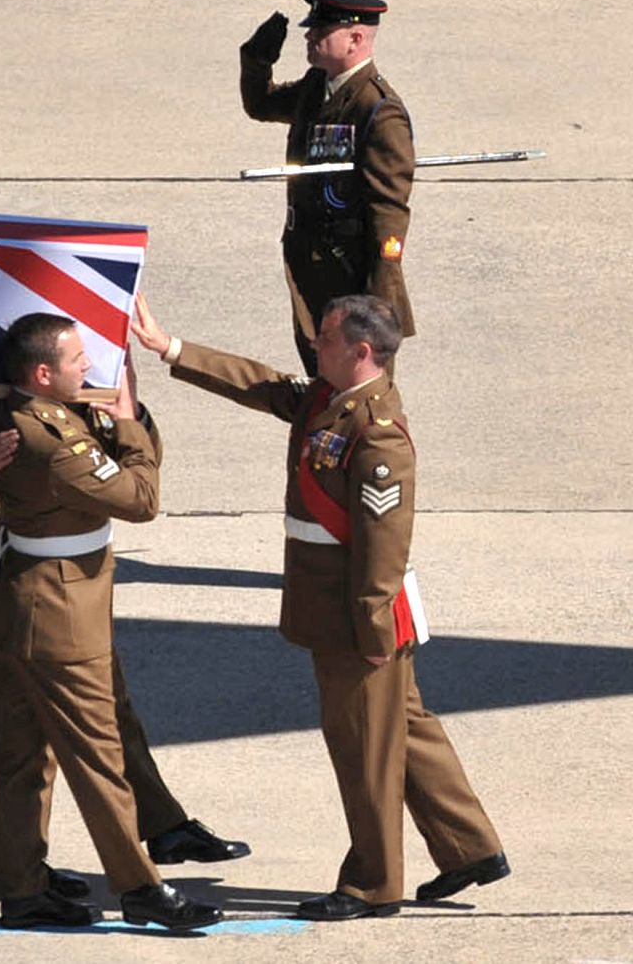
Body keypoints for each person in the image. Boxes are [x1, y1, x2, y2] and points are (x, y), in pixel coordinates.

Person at [131, 290, 509, 920]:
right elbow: (263, 385)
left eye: (326, 339)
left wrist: (368, 631)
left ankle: (372, 884)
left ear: (362, 352)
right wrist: (170, 348)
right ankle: (470, 848)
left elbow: (383, 549)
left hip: (357, 618)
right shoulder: (332, 401)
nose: (314, 345)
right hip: (335, 605)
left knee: (364, 747)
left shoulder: (377, 434)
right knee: (405, 730)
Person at [0, 312, 223, 931]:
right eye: (77, 361)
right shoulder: (53, 438)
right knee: (99, 760)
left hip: (14, 610)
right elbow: (140, 499)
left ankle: (21, 885)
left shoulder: (10, 413)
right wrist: (127, 420)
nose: (89, 368)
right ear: (43, 374)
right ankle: (140, 888)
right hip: (60, 620)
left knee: (23, 756)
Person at [241, 0, 416, 376]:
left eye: (322, 31)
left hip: (348, 270)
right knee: (321, 378)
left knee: (356, 385)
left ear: (355, 38)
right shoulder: (317, 87)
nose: (309, 37)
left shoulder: (379, 110)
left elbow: (389, 210)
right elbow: (261, 105)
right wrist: (256, 59)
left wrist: (379, 302)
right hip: (310, 263)